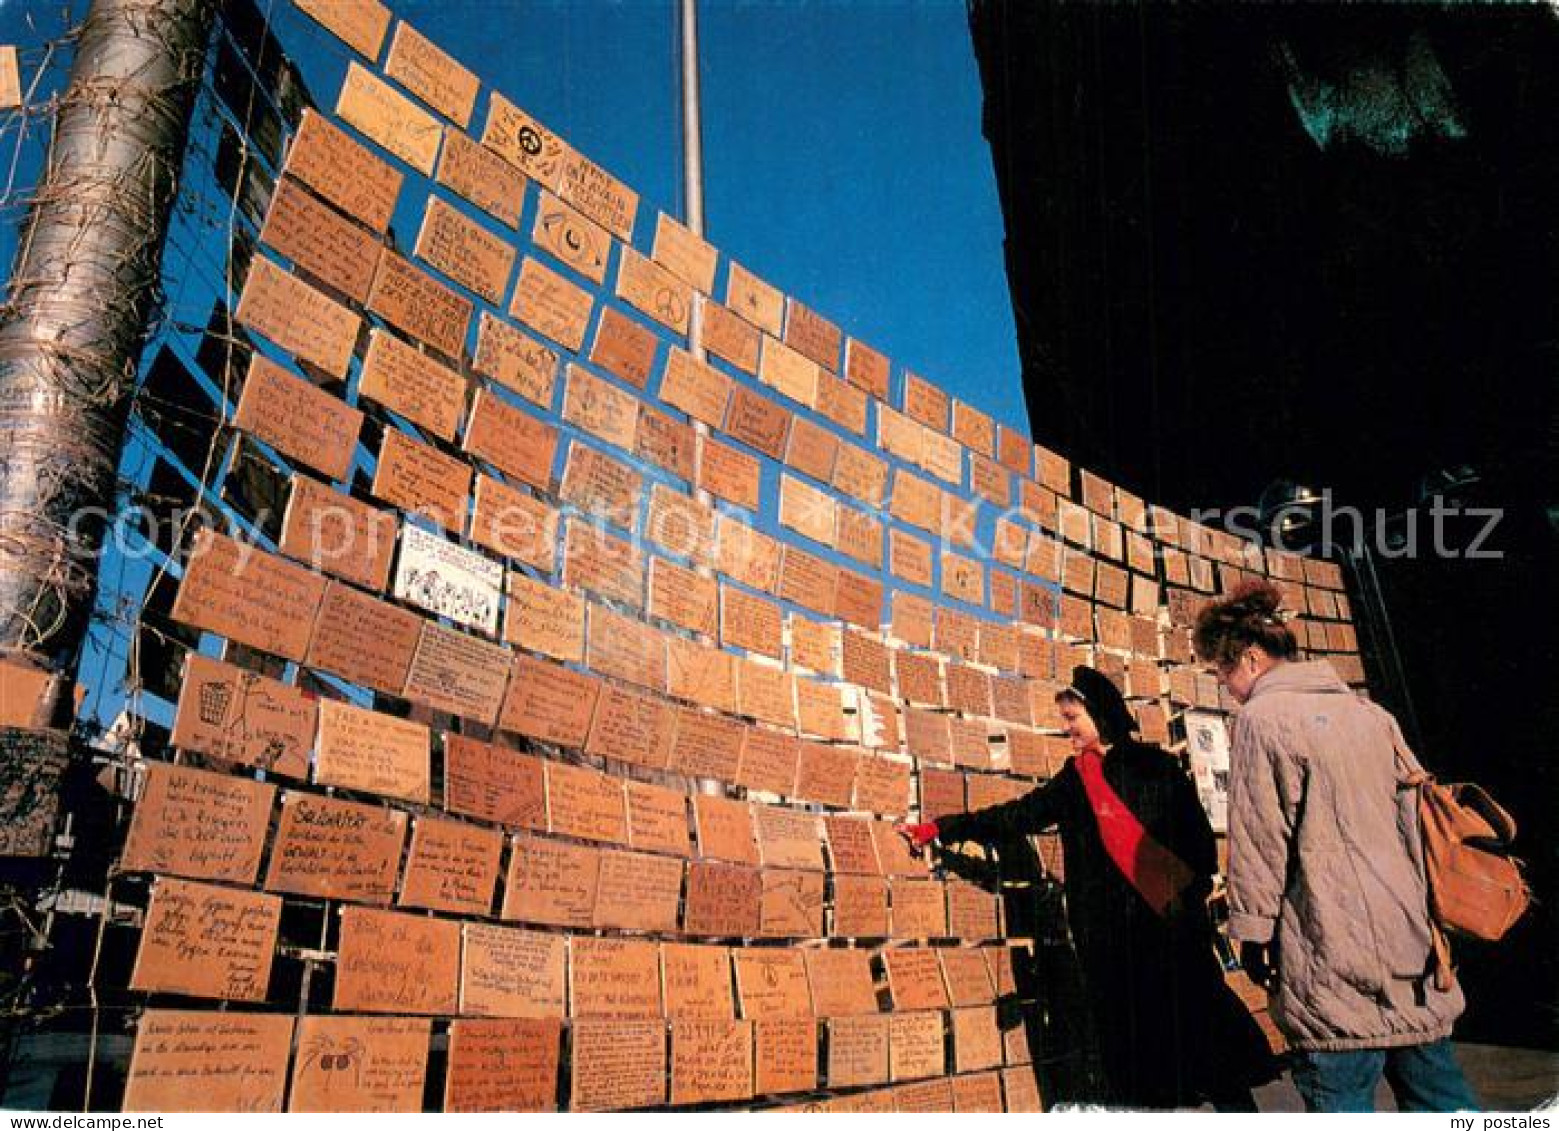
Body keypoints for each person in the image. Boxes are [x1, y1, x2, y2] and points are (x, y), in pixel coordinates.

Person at [900, 665, 1278, 1110]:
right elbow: (1016, 816)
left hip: (1170, 933)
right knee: (1142, 1064)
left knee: (1206, 1045)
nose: (1066, 729)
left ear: (1100, 714)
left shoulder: (1157, 766)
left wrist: (1184, 898)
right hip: (1112, 945)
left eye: (1071, 717)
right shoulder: (1074, 779)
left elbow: (1197, 842)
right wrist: (941, 829)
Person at [1193, 580, 1478, 1113]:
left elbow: (1260, 838)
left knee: (1340, 1099)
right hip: (1407, 945)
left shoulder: (1261, 718)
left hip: (1328, 950)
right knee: (1442, 1099)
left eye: (1222, 672)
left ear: (1251, 659)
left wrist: (1252, 934)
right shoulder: (1372, 715)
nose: (1227, 687)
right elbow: (1416, 822)